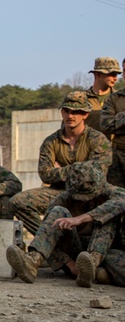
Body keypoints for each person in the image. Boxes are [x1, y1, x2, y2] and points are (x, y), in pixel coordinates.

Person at [6, 160, 125, 288]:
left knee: (107, 218)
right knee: (57, 212)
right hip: (78, 252)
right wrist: (70, 265)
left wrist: (81, 218)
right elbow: (48, 236)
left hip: (108, 251)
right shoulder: (63, 200)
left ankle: (95, 268)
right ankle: (33, 261)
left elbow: (120, 202)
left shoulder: (112, 192)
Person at [11, 91, 112, 236]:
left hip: (90, 194)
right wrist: (79, 170)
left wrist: (63, 170)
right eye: (67, 111)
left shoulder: (98, 140)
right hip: (60, 192)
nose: (71, 116)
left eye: (76, 112)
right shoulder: (51, 142)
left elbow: (97, 174)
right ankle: (49, 241)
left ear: (85, 115)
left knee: (115, 204)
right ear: (62, 113)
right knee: (18, 201)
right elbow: (45, 174)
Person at [99, 59, 125, 188]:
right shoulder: (115, 99)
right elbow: (106, 125)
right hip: (118, 156)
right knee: (117, 199)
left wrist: (119, 119)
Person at [83, 56, 120, 130]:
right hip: (89, 141)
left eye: (116, 75)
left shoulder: (119, 98)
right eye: (111, 74)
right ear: (98, 74)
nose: (115, 78)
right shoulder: (81, 99)